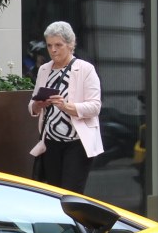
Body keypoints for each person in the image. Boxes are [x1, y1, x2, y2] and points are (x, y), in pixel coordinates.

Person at [28, 20, 103, 193]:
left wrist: (67, 106)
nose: (53, 50)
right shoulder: (44, 70)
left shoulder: (85, 69)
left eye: (58, 45)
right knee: (53, 195)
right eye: (49, 45)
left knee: (70, 196)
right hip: (51, 143)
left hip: (76, 143)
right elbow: (32, 106)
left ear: (70, 45)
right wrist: (38, 105)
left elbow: (95, 106)